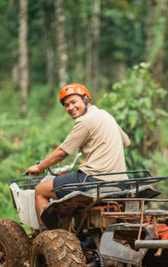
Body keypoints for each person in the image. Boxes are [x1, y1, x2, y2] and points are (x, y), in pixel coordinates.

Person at [24, 83, 130, 225]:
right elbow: (126, 141)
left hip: (94, 179)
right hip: (120, 181)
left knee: (41, 190)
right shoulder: (105, 115)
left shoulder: (84, 121)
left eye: (74, 102)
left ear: (85, 99)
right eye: (66, 105)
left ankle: (46, 240)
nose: (70, 108)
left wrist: (40, 167)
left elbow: (62, 152)